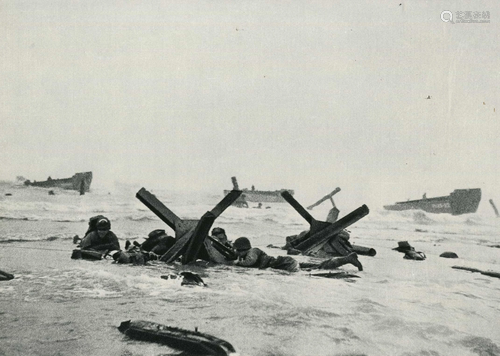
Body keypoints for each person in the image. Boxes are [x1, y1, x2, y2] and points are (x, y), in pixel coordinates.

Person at [233, 237, 363, 273]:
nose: (238, 253)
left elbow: (250, 261)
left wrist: (238, 262)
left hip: (285, 263)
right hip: (287, 262)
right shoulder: (251, 252)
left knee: (309, 272)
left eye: (238, 251)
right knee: (320, 266)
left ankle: (344, 260)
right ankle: (346, 259)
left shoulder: (253, 251)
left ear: (243, 249)